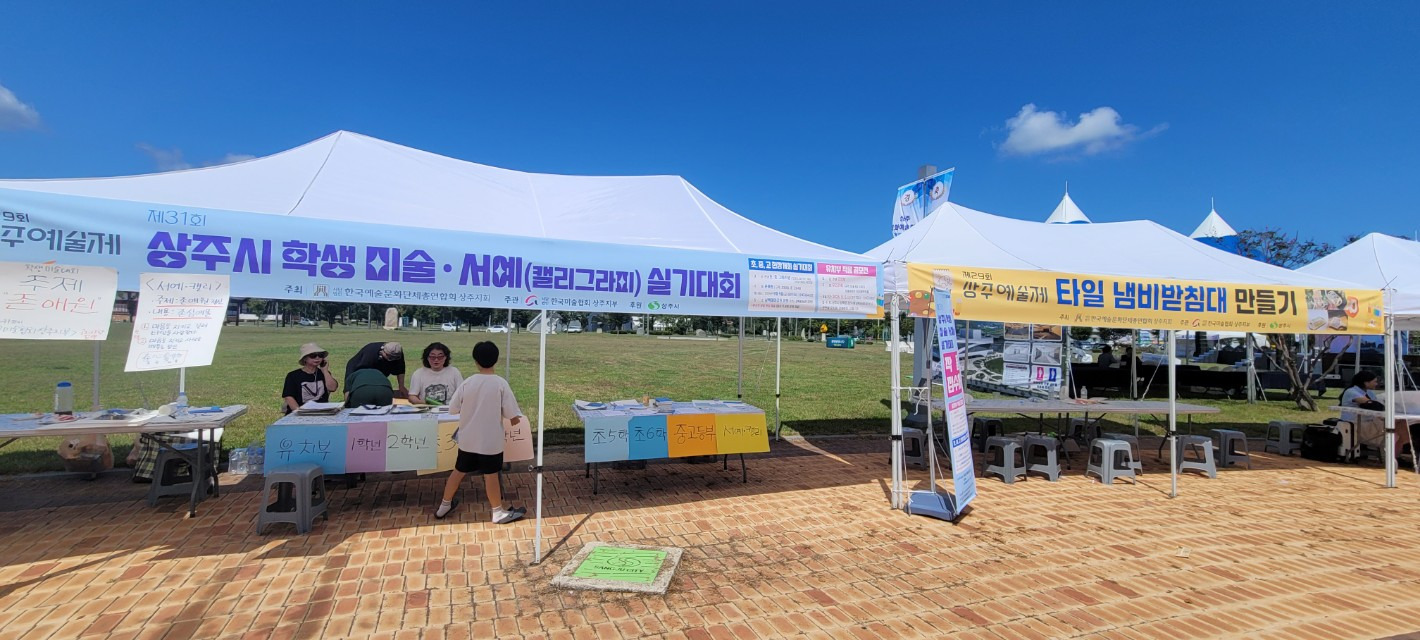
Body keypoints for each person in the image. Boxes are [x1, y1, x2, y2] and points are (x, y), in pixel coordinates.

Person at [435, 341, 526, 524]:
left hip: (468, 440)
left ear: (475, 360)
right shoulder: (500, 383)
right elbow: (512, 415)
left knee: (458, 471)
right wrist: (515, 419)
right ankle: (497, 512)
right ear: (496, 360)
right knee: (491, 475)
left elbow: (452, 409)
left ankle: (444, 505)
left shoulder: (468, 382)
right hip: (490, 442)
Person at [282, 343, 339, 414]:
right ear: (305, 358)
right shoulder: (293, 376)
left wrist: (325, 371)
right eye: (313, 355)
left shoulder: (324, 374)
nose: (317, 358)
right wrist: (299, 412)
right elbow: (289, 397)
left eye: (320, 355)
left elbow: (332, 388)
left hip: (321, 412)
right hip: (300, 412)